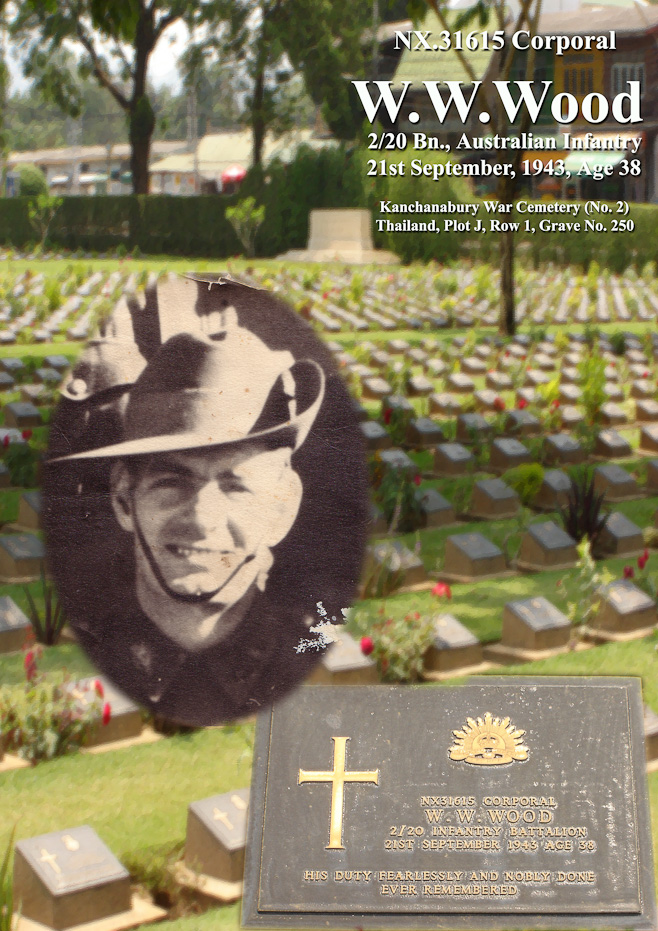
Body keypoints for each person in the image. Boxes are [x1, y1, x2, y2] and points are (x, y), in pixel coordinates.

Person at [52, 306, 333, 725]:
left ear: (282, 506)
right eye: (173, 482)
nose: (202, 519)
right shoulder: (74, 660)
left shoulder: (316, 659)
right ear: (124, 500)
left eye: (236, 486)